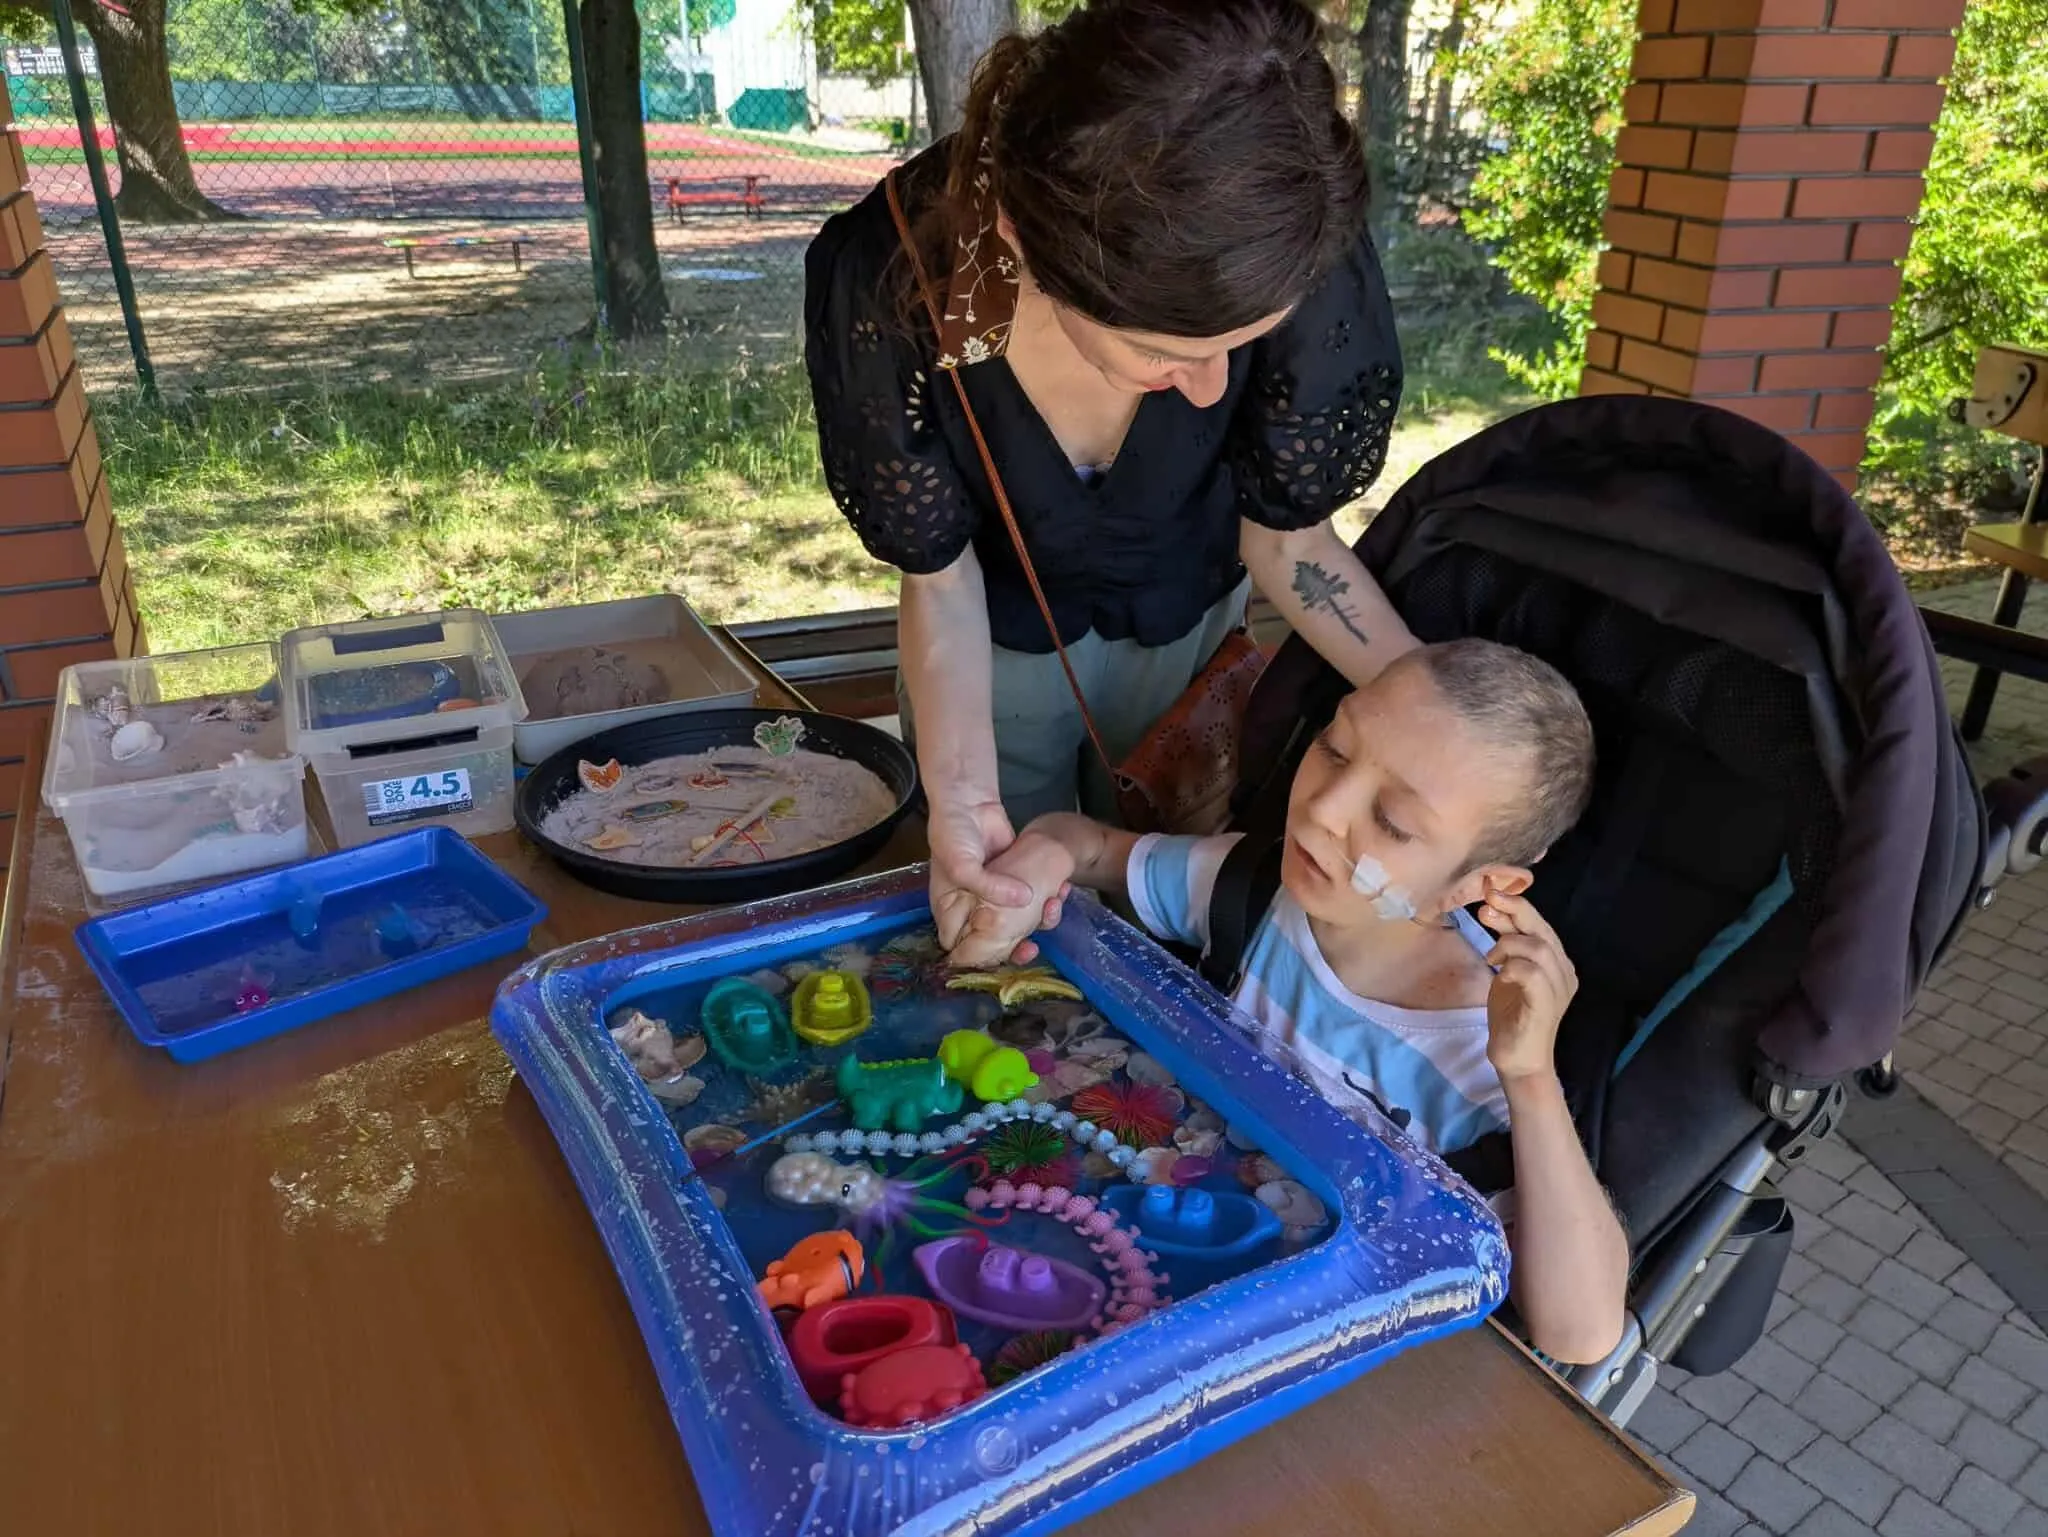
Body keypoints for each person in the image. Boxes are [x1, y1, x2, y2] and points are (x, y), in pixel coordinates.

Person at [804, 0, 1418, 957]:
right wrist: (961, 805)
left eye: (1241, 347)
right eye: (1166, 351)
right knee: (1016, 924)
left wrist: (1434, 709)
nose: (1213, 388)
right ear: (1023, 245)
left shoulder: (1286, 234)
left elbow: (1290, 541)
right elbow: (942, 579)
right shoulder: (890, 277)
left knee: (1167, 915)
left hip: (1191, 634)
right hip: (985, 658)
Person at [950, 639, 1629, 1364]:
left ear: (1480, 886)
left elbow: (1581, 1331)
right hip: (1150, 1243)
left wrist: (1530, 1078)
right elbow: (1088, 848)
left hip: (1291, 1341)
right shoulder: (1250, 887)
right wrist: (1037, 863)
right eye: (1335, 747)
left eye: (1392, 820)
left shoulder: (1477, 1060)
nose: (1324, 809)